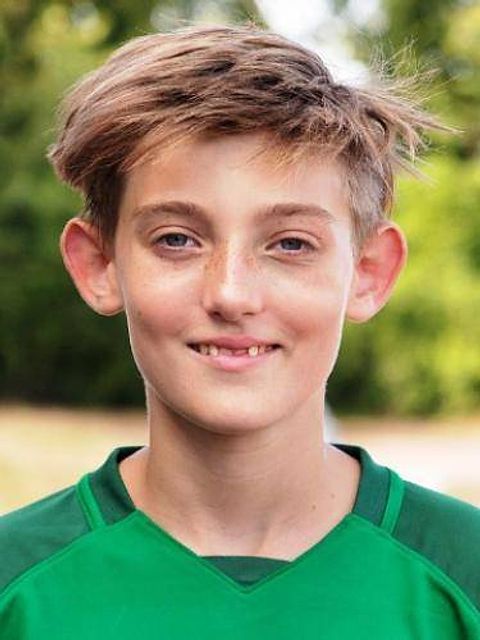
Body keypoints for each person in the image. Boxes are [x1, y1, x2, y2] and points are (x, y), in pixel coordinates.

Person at [0, 23, 478, 639]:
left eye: (290, 244)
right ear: (100, 265)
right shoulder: (17, 586)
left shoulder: (462, 574)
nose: (231, 294)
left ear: (368, 272)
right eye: (177, 239)